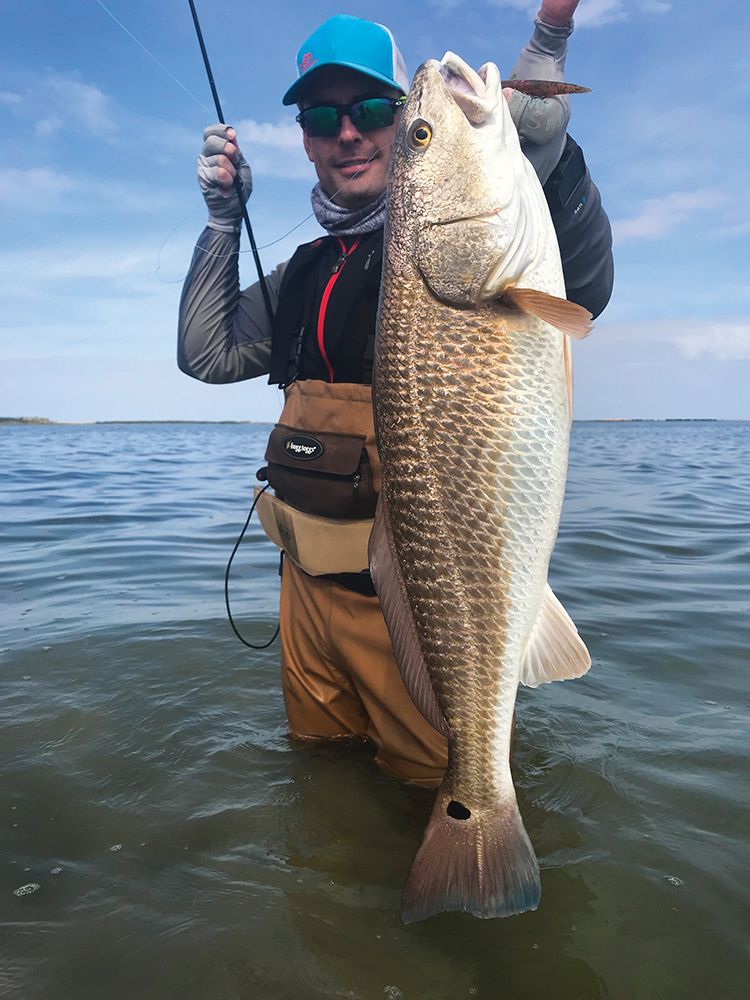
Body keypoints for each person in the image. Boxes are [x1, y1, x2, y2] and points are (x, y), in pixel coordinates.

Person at [178, 3, 614, 787]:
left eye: (377, 112)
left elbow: (583, 287)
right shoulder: (302, 273)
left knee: (438, 790)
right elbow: (206, 353)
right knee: (323, 789)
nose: (349, 133)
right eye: (322, 116)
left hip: (419, 606)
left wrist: (554, 156)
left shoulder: (461, 241)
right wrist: (221, 221)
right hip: (304, 603)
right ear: (306, 141)